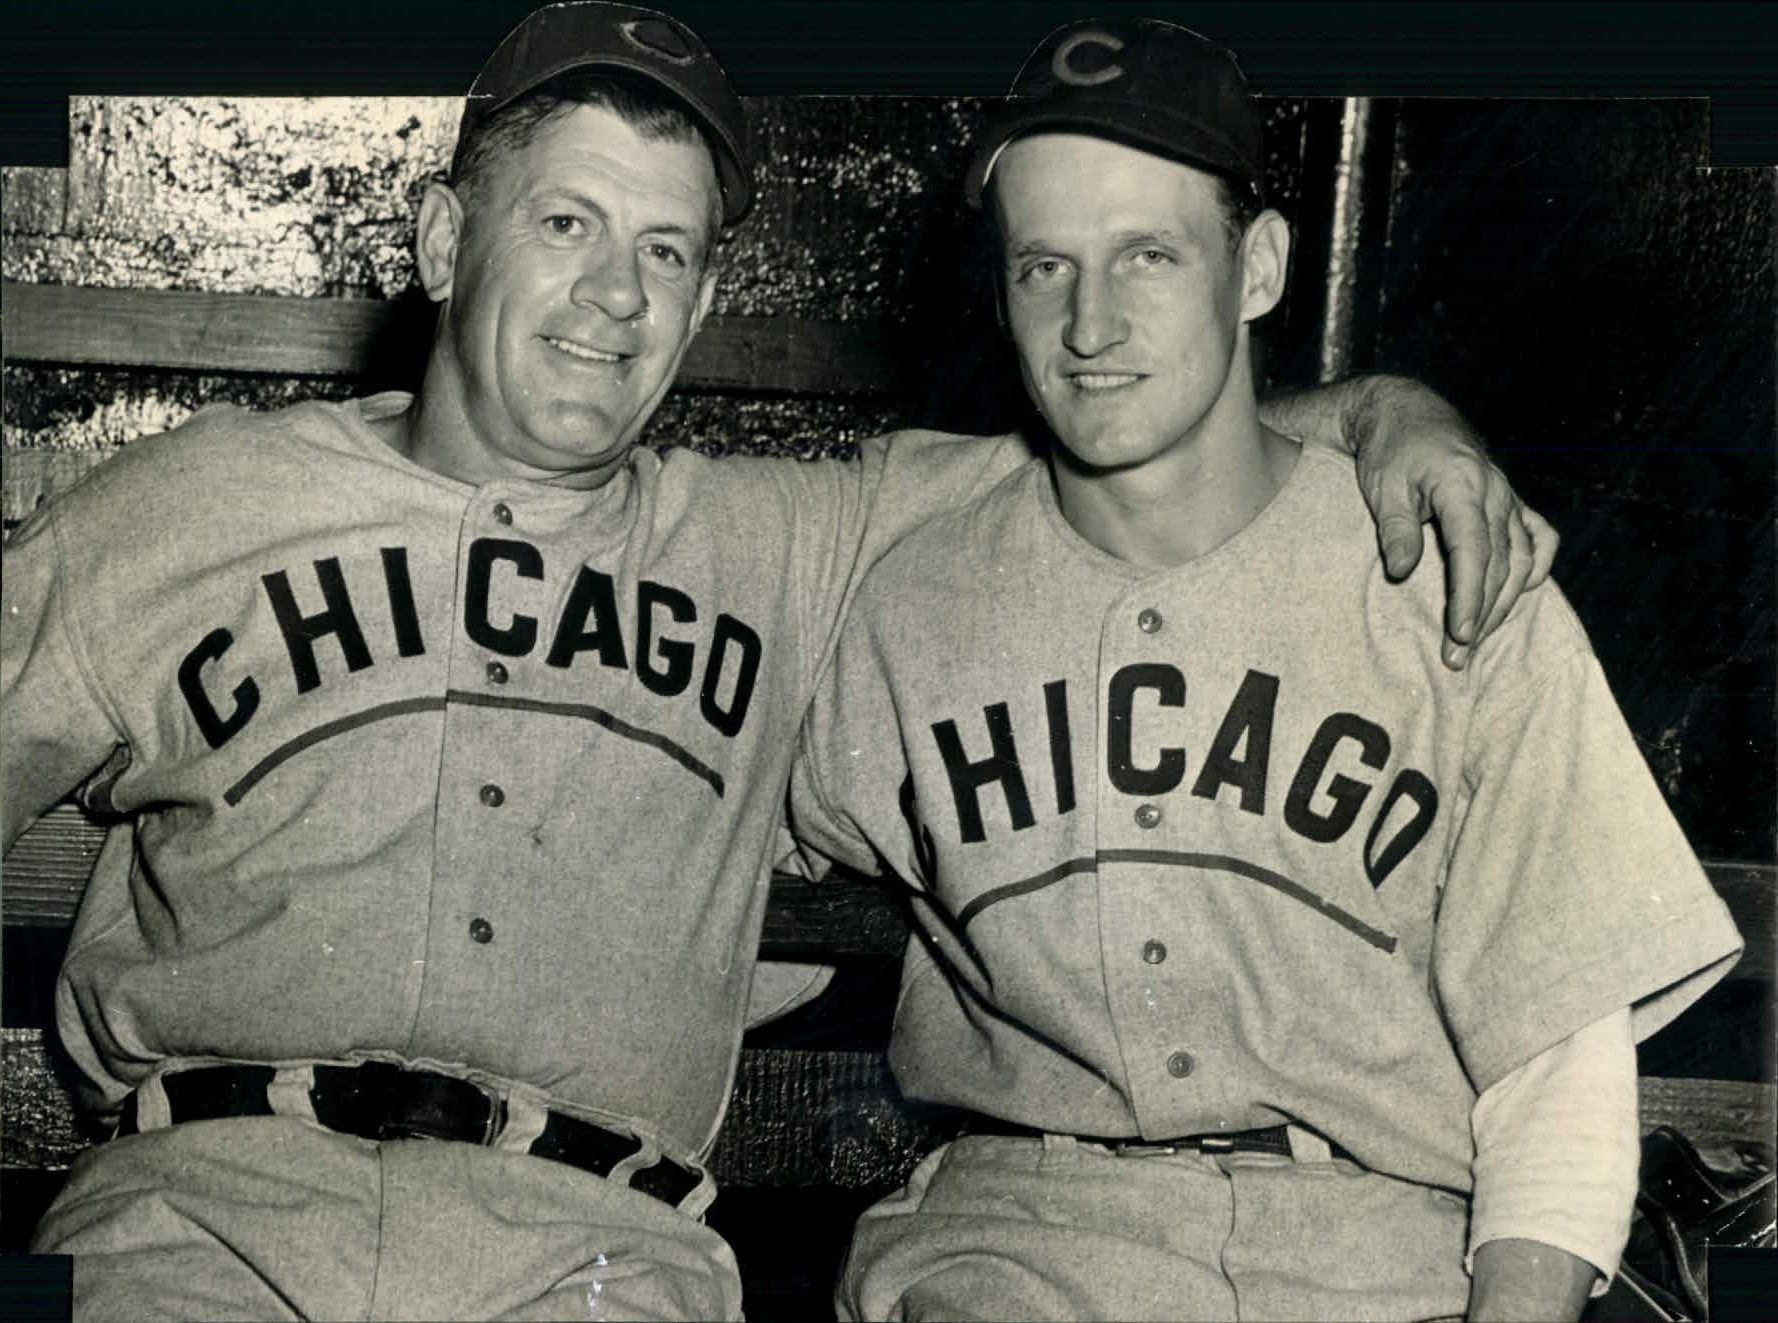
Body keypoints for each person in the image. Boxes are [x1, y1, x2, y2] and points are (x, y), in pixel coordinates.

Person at [2, 4, 1553, 1319]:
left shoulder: (793, 537)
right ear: (437, 239)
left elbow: (1137, 423)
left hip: (592, 1256)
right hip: (194, 1222)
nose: (616, 294)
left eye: (667, 252)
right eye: (566, 224)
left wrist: (1381, 413)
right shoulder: (196, 503)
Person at [788, 17, 1745, 1323]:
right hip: (1012, 1244)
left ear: (1258, 267)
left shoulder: (1444, 569)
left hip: (1374, 1250)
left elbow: (1556, 1081)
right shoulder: (892, 579)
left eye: (1146, 257)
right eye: (1041, 267)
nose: (1088, 324)